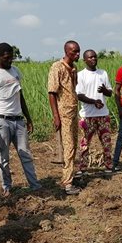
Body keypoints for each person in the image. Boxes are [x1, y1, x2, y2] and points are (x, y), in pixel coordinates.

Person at [0, 42, 41, 196]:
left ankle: (34, 185)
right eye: (7, 57)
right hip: (2, 120)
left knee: (25, 153)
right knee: (4, 157)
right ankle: (6, 187)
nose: (10, 60)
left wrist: (28, 118)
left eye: (11, 57)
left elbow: (20, 96)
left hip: (18, 120)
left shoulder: (15, 71)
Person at [47, 40, 81, 195]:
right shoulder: (57, 67)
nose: (78, 54)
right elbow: (52, 93)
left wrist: (74, 76)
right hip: (64, 114)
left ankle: (71, 175)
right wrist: (56, 116)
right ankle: (67, 183)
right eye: (74, 52)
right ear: (67, 51)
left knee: (74, 145)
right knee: (68, 147)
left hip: (73, 112)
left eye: (78, 51)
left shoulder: (74, 68)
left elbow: (73, 89)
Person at [75, 49, 114, 174]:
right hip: (87, 116)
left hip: (103, 114)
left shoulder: (103, 73)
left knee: (106, 142)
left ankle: (108, 166)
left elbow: (110, 93)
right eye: (90, 57)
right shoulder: (81, 75)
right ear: (84, 60)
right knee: (85, 143)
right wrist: (94, 101)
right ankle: (83, 168)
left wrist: (104, 90)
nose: (93, 59)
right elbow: (79, 95)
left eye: (95, 57)